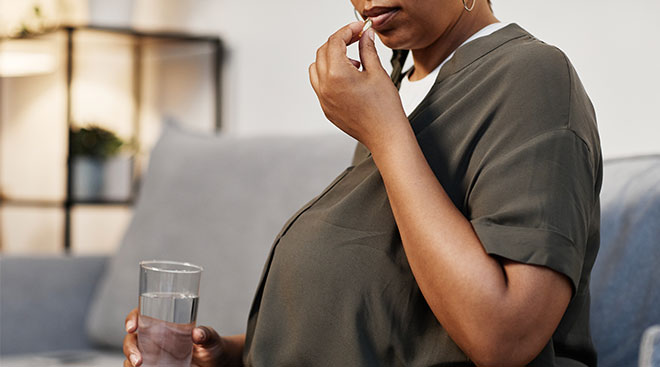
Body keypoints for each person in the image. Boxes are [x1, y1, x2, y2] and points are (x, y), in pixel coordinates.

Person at [123, 0, 601, 365]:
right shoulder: (392, 84)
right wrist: (227, 354)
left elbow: (505, 336)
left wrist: (385, 131)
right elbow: (392, 317)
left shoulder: (531, 77)